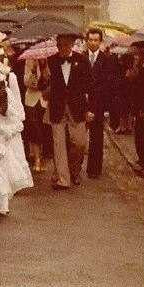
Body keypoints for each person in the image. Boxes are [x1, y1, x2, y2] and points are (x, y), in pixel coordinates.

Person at [42, 32, 93, 190]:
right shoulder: (50, 61)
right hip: (57, 108)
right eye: (60, 45)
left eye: (66, 44)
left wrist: (89, 109)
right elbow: (43, 87)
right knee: (59, 145)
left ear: (72, 44)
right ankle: (63, 179)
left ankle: (74, 171)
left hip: (77, 109)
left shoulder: (82, 60)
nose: (63, 48)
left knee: (80, 144)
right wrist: (43, 71)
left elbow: (89, 86)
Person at [0, 68, 33, 223]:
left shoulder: (5, 107)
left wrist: (4, 131)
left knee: (0, 177)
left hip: (1, 145)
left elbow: (17, 125)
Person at [83, 28, 115, 178]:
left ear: (100, 42)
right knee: (77, 139)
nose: (93, 43)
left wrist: (96, 108)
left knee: (96, 139)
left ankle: (94, 170)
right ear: (86, 41)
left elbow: (106, 86)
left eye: (96, 40)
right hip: (81, 104)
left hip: (98, 105)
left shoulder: (107, 60)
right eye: (90, 40)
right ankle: (74, 170)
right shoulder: (81, 58)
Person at [23, 57, 48, 172]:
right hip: (31, 100)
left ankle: (40, 154)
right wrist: (33, 70)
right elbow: (26, 82)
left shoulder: (50, 61)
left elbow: (50, 81)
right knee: (34, 127)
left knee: (43, 128)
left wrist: (44, 67)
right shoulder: (29, 61)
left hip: (45, 100)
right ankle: (37, 158)